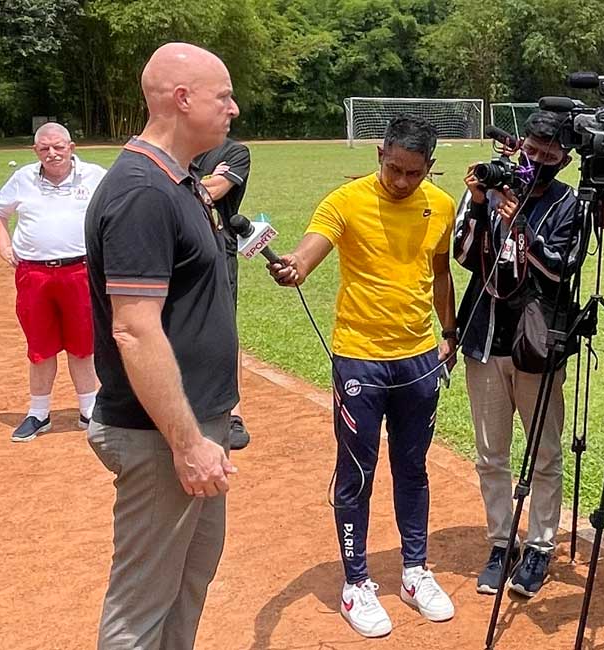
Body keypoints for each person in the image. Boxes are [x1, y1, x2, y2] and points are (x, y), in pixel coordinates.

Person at [268, 115, 458, 638]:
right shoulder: (344, 201)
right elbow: (311, 249)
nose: (401, 181)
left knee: (412, 466)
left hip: (420, 358)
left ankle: (415, 572)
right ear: (380, 153)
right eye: (393, 168)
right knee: (356, 472)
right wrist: (295, 267)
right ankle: (356, 582)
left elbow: (440, 271)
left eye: (413, 174)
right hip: (360, 360)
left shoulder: (440, 205)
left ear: (429, 169)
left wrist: (449, 331)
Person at [84, 42, 240, 649]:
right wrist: (186, 442)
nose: (233, 107)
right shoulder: (143, 192)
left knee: (188, 581)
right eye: (222, 95)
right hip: (164, 437)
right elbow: (135, 328)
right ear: (183, 99)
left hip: (198, 426)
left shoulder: (180, 181)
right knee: (141, 606)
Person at [452, 110, 580, 598]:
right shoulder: (488, 189)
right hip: (485, 338)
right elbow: (464, 257)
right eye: (533, 147)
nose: (539, 158)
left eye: (551, 152)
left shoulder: (570, 203)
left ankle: (541, 547)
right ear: (520, 144)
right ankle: (501, 543)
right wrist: (483, 204)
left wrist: (523, 226)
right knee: (490, 454)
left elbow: (562, 269)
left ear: (565, 158)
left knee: (544, 452)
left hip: (537, 340)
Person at [0, 122, 106, 441]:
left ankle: (88, 410)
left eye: (58, 147)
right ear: (35, 151)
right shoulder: (23, 178)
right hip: (34, 274)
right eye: (44, 148)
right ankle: (39, 413)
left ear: (71, 147)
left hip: (80, 271)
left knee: (83, 345)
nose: (52, 153)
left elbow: (116, 211)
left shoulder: (95, 176)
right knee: (40, 346)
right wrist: (3, 245)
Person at [195, 138, 252, 450]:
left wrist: (194, 183)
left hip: (219, 250)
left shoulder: (234, 152)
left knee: (224, 330)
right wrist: (203, 180)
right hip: (176, 248)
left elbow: (212, 193)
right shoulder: (177, 148)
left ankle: (232, 412)